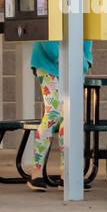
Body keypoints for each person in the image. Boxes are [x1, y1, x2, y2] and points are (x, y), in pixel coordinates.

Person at [28, 38, 92, 190]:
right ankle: (36, 172)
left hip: (72, 64)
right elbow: (46, 35)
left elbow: (86, 36)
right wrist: (75, 61)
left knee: (69, 116)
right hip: (48, 64)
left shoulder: (82, 12)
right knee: (53, 113)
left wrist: (85, 62)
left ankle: (66, 173)